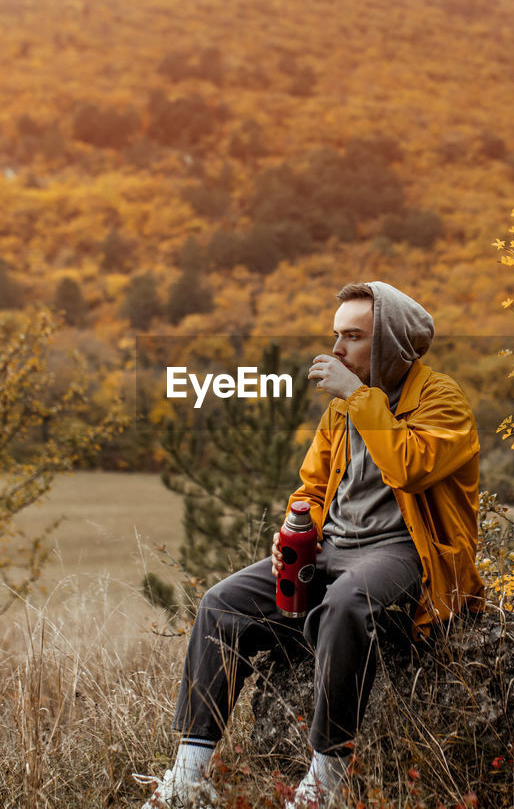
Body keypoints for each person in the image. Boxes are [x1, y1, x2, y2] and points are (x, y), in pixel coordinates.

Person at [140, 281, 483, 808]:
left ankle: (327, 780)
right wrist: (293, 533)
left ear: (390, 343)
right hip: (332, 548)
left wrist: (357, 397)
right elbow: (313, 487)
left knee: (347, 604)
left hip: (401, 552)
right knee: (220, 605)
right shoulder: (341, 411)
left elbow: (410, 467)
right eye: (336, 335)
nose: (338, 348)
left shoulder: (442, 401)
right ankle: (189, 777)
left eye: (353, 336)